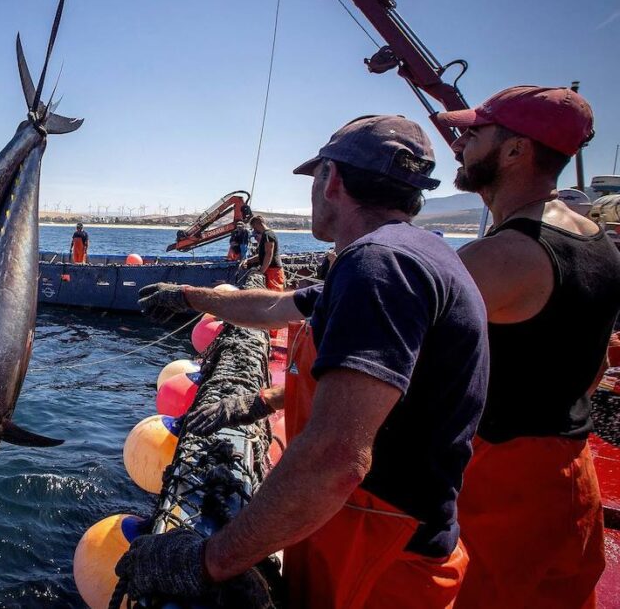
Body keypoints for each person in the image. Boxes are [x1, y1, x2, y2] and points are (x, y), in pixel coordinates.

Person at [124, 115, 488, 608]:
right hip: (362, 528)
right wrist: (189, 296)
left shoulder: (379, 267)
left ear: (330, 179)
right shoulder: (406, 254)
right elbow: (277, 305)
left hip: (378, 554)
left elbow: (336, 458)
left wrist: (207, 559)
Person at [435, 85, 620, 608]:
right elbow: (597, 365)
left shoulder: (502, 257)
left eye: (475, 133)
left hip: (501, 491)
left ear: (515, 151)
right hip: (568, 477)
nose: (462, 143)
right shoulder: (598, 244)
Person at [241, 216, 283, 291]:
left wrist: (261, 272)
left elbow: (269, 254)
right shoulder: (265, 235)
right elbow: (262, 255)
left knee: (274, 296)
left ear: (259, 223)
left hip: (273, 270)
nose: (254, 230)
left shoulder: (268, 234)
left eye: (254, 227)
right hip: (269, 269)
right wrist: (248, 260)